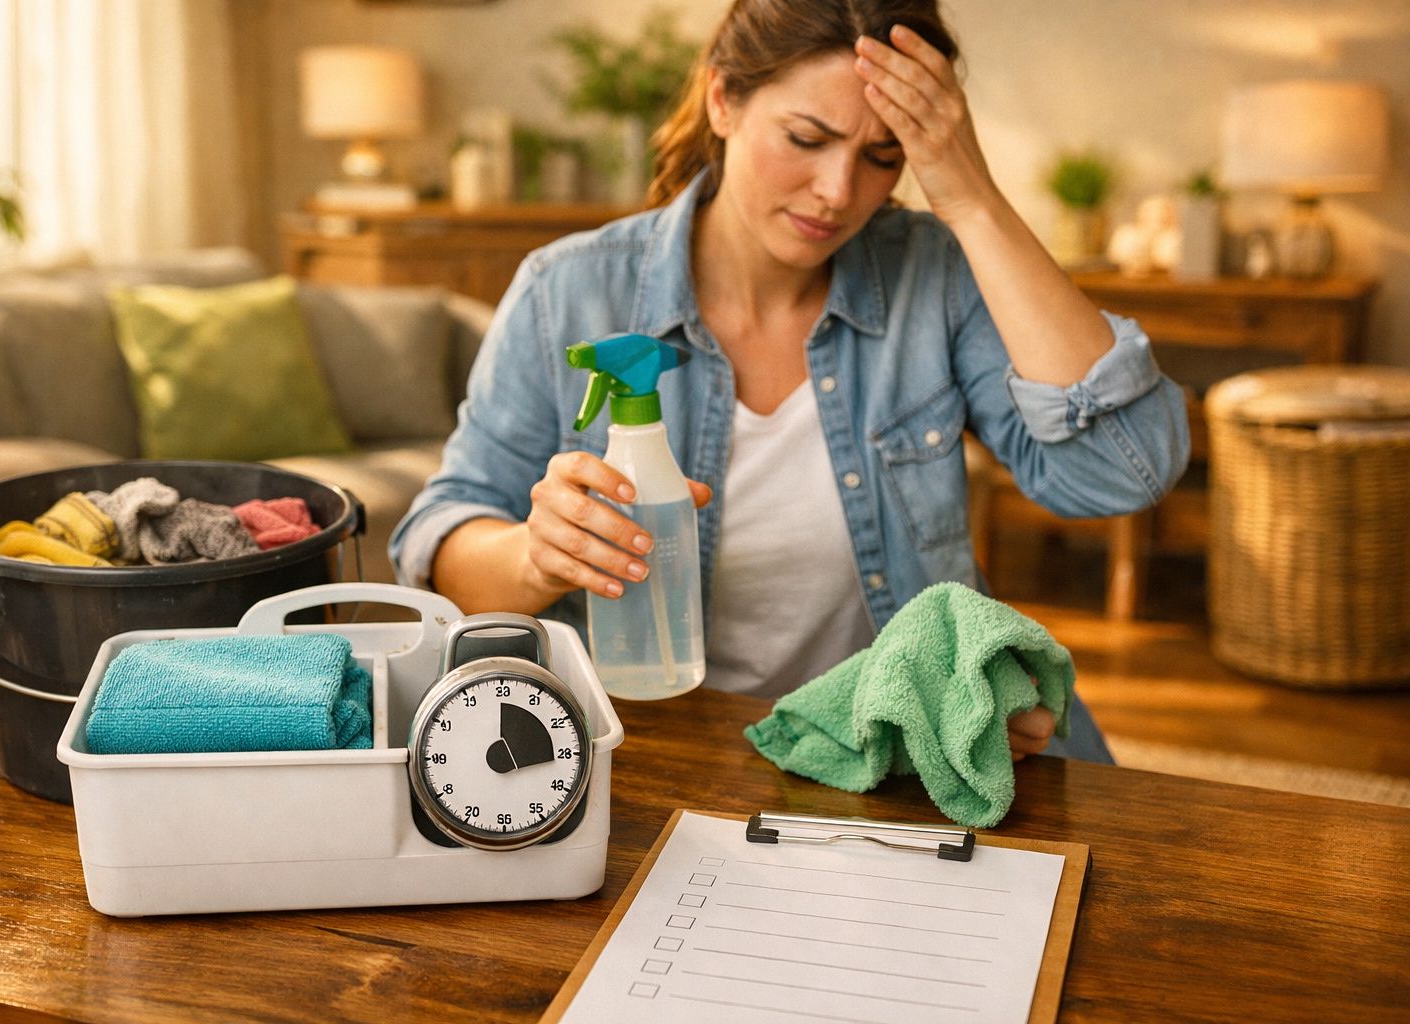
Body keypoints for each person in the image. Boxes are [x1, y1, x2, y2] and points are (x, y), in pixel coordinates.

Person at [390, 0, 1189, 763]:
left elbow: (1125, 470)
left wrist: (974, 201)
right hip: (657, 754)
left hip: (898, 756)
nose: (838, 192)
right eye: (807, 138)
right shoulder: (568, 292)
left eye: (884, 157)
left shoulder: (932, 277)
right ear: (723, 100)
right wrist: (536, 556)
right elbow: (438, 547)